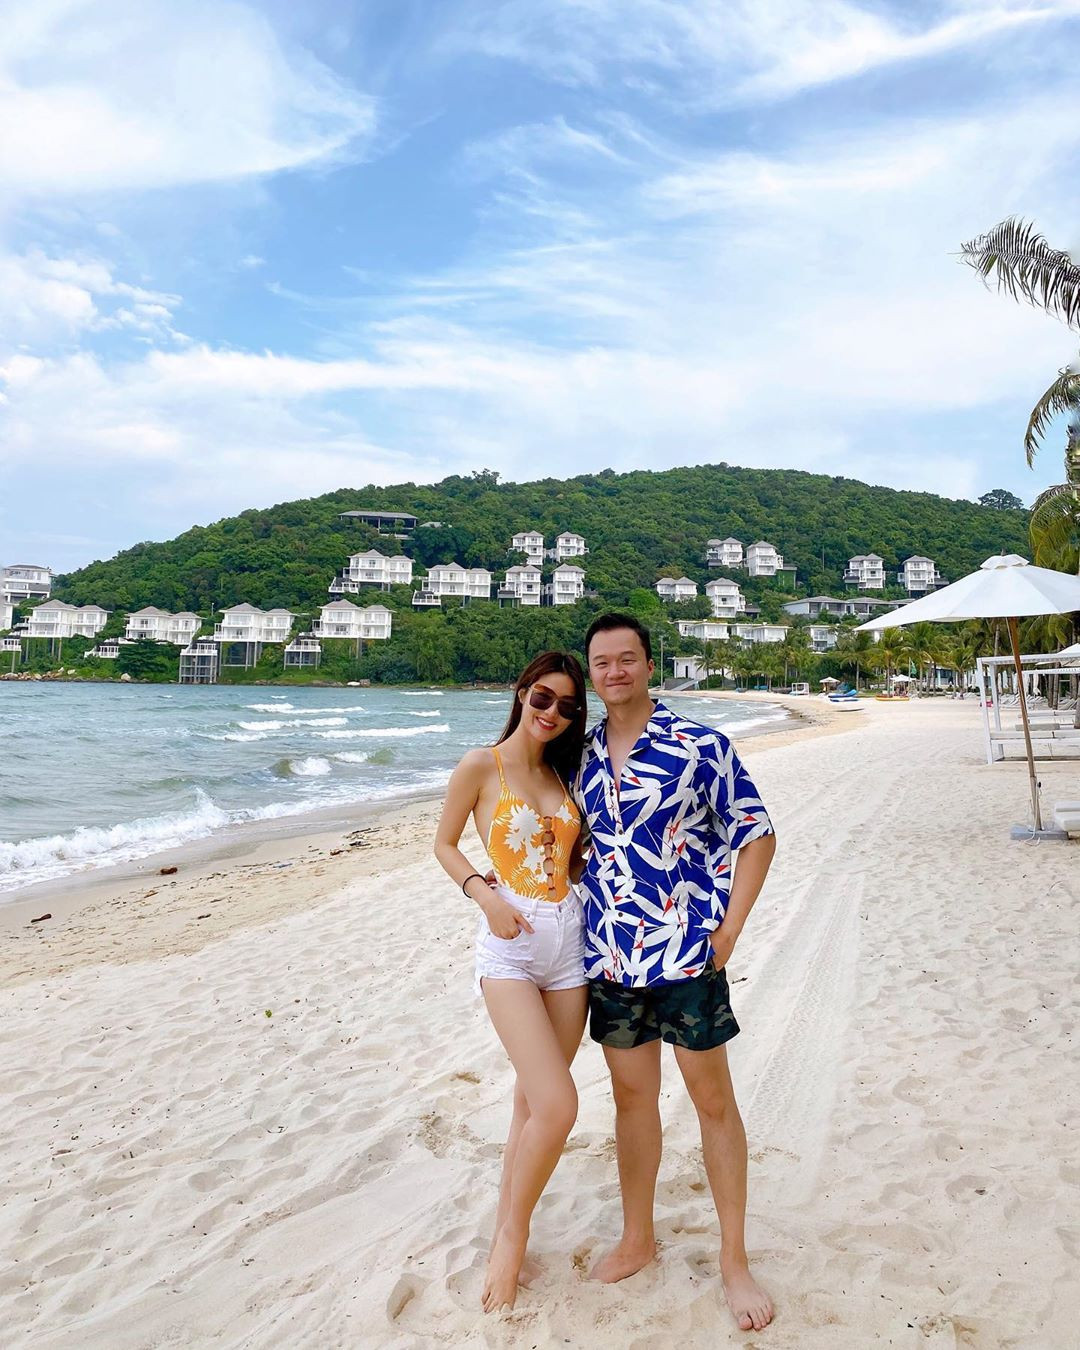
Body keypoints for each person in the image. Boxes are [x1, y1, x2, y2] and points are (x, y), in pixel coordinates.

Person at [576, 613, 777, 1333]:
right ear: (591, 673)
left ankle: (734, 1259)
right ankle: (638, 1237)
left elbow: (757, 834)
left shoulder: (699, 745)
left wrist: (730, 929)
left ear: (649, 665)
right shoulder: (579, 756)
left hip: (686, 953)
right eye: (602, 662)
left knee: (712, 1100)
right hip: (610, 956)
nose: (615, 672)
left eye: (627, 658)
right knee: (632, 1101)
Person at [434, 650, 589, 1314]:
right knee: (559, 1106)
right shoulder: (481, 765)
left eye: (567, 705)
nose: (552, 712)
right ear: (523, 691)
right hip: (510, 948)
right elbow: (444, 843)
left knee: (532, 1105)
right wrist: (485, 895)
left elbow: (573, 860)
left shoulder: (565, 774)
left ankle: (508, 1226)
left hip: (571, 946)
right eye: (543, 697)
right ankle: (511, 1239)